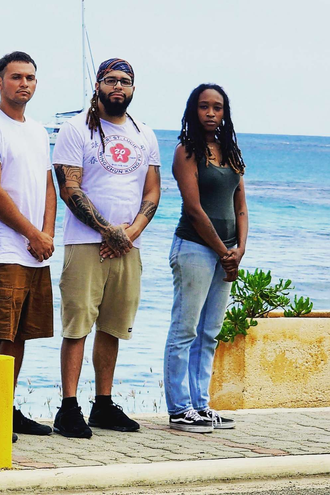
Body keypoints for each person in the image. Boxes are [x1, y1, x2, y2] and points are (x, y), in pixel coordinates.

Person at [51, 58, 161, 438]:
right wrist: (105, 230)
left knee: (113, 325)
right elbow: (70, 187)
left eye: (125, 82)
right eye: (111, 80)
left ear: (133, 89)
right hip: (85, 243)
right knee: (78, 324)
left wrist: (129, 233)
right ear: (97, 85)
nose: (118, 87)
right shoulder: (75, 128)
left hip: (129, 245)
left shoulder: (144, 133)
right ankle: (68, 408)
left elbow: (152, 190)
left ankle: (103, 403)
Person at [0, 52, 56, 442]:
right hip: (3, 248)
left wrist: (47, 234)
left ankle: (6, 408)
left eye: (31, 78)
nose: (24, 83)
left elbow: (48, 185)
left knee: (20, 334)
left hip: (36, 250)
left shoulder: (37, 130)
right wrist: (31, 234)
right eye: (16, 76)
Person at [164, 83, 248, 433]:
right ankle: (180, 408)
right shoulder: (186, 151)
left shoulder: (231, 153)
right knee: (185, 330)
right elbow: (194, 209)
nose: (211, 113)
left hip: (226, 252)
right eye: (204, 107)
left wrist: (239, 250)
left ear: (225, 112)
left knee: (210, 332)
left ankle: (201, 405)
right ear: (193, 111)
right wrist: (222, 251)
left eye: (217, 107)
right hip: (196, 249)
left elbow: (240, 206)